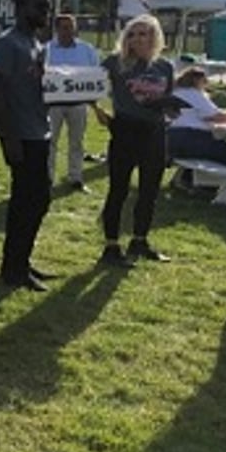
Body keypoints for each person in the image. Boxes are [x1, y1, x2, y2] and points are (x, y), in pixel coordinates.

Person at [95, 14, 176, 266]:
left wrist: (171, 109)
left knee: (149, 190)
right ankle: (111, 245)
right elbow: (86, 85)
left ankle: (140, 240)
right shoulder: (115, 63)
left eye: (143, 33)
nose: (137, 39)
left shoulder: (165, 67)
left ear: (154, 37)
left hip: (154, 131)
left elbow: (168, 97)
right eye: (132, 34)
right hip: (125, 130)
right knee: (118, 189)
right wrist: (98, 110)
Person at [0, 0, 53, 291]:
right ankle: (12, 268)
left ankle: (21, 261)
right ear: (21, 7)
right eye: (40, 6)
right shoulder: (7, 44)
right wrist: (9, 138)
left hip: (40, 131)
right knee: (26, 202)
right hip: (21, 135)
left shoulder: (36, 44)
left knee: (39, 200)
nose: (46, 13)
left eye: (47, 7)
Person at [46, 13, 100, 192]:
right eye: (64, 27)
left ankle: (76, 177)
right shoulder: (46, 49)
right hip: (53, 104)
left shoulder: (87, 50)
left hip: (78, 103)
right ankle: (47, 178)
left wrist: (94, 102)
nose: (68, 30)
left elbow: (95, 75)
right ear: (56, 29)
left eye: (71, 26)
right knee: (50, 142)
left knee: (77, 142)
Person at [167, 66, 226, 169]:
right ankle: (212, 181)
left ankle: (187, 179)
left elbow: (207, 115)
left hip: (170, 139)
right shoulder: (194, 94)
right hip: (190, 138)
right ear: (197, 80)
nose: (206, 83)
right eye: (204, 80)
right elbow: (215, 116)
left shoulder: (176, 92)